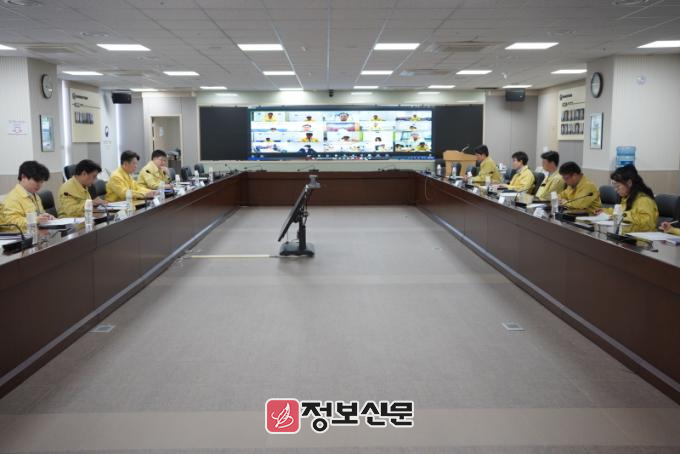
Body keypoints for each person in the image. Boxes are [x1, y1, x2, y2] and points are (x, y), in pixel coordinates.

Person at [595, 165, 658, 233]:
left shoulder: (644, 200)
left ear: (629, 183)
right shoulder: (626, 197)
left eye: (618, 186)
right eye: (614, 186)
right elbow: (620, 211)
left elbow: (648, 223)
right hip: (627, 234)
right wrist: (605, 211)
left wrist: (622, 216)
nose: (615, 189)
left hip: (641, 237)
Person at [0, 160, 54, 231]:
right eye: (36, 181)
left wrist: (46, 217)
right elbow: (13, 224)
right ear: (23, 177)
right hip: (18, 236)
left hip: (35, 233)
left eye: (41, 182)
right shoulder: (12, 199)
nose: (39, 185)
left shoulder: (35, 195)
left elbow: (39, 214)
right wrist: (36, 220)